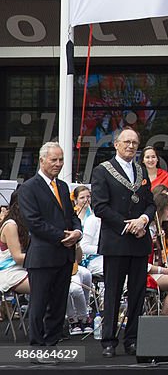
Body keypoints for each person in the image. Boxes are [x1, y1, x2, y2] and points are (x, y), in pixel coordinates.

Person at [91, 126, 156, 358]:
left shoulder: (141, 170)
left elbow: (150, 202)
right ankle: (109, 340)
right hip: (116, 240)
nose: (130, 146)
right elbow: (99, 206)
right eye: (126, 142)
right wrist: (127, 225)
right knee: (113, 292)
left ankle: (133, 339)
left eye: (134, 143)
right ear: (116, 144)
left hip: (139, 240)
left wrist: (143, 220)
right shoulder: (102, 171)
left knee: (138, 292)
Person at [17, 142, 82, 347]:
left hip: (64, 256)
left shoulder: (62, 186)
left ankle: (52, 344)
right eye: (54, 159)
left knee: (58, 305)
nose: (58, 164)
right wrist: (63, 236)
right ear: (42, 160)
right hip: (43, 257)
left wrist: (77, 232)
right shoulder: (28, 187)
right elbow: (33, 222)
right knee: (39, 305)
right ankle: (37, 347)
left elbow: (71, 215)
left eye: (61, 159)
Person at [0, 191, 30, 298]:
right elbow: (17, 257)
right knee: (46, 285)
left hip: (25, 269)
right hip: (10, 272)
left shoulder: (26, 223)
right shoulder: (11, 225)